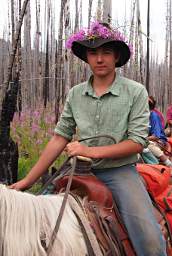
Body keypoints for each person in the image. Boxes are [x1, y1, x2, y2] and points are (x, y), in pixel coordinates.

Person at [10, 21, 166, 255]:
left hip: (119, 172)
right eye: (93, 53)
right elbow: (59, 137)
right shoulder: (76, 93)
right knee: (36, 219)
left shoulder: (135, 92)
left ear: (116, 57)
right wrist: (28, 181)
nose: (99, 59)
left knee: (150, 241)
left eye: (106, 52)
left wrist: (89, 151)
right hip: (78, 170)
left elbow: (137, 141)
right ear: (86, 57)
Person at [148, 96, 172, 167]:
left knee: (147, 146)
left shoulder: (154, 115)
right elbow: (169, 120)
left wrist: (143, 138)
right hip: (150, 138)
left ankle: (167, 164)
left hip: (159, 140)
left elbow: (156, 136)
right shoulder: (142, 116)